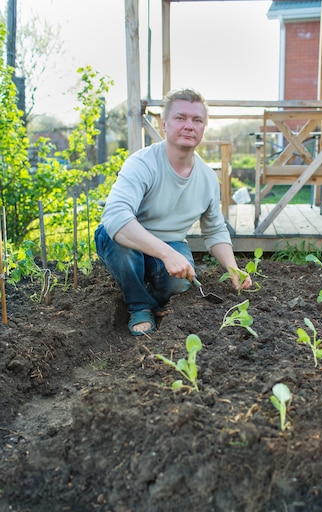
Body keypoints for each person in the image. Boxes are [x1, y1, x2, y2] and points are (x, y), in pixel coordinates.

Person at [94, 87, 252, 336]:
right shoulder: (143, 163)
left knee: (180, 280)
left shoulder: (208, 179)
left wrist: (232, 268)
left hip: (169, 242)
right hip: (126, 239)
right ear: (164, 124)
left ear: (203, 128)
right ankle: (139, 306)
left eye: (197, 120)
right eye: (181, 118)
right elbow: (115, 217)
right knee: (122, 247)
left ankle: (155, 300)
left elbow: (215, 230)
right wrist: (167, 254)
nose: (189, 125)